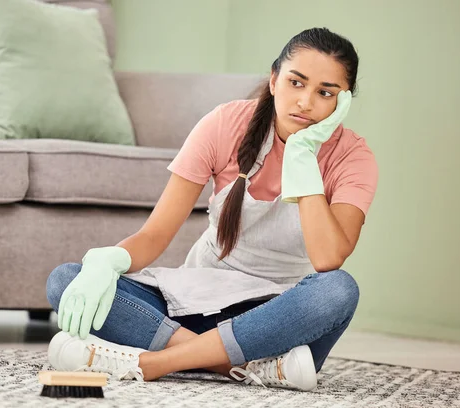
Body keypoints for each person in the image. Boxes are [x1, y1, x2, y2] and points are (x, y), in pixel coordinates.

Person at [45, 27, 378, 392]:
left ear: (342, 103)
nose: (305, 102)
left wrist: (302, 156)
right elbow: (155, 235)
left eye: (325, 93)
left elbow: (328, 258)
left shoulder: (353, 158)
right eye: (296, 83)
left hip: (273, 323)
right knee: (66, 279)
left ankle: (155, 362)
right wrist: (107, 262)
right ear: (273, 80)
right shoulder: (226, 124)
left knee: (338, 291)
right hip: (194, 306)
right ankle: (243, 368)